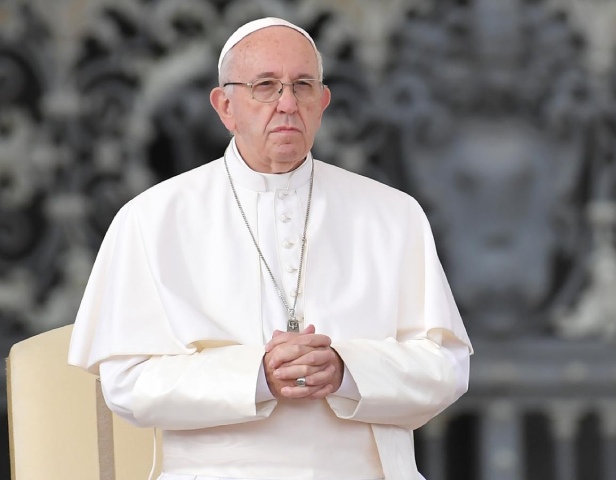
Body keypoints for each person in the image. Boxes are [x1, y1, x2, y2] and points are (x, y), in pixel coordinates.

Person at [68, 17, 472, 480]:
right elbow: (126, 384)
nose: (287, 104)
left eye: (302, 86)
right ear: (225, 106)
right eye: (265, 86)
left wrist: (347, 370)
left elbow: (446, 367)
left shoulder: (393, 214)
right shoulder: (152, 218)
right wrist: (256, 375)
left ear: (322, 102)